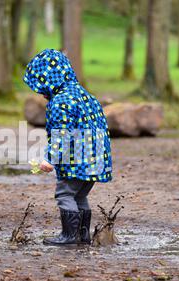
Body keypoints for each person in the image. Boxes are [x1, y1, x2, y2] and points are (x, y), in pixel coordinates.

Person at [23, 49, 112, 246]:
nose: (41, 93)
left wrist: (49, 158)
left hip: (77, 160)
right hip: (96, 159)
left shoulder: (61, 101)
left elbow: (61, 134)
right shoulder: (85, 95)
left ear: (48, 81)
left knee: (64, 194)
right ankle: (83, 235)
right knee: (79, 195)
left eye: (40, 87)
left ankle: (69, 236)